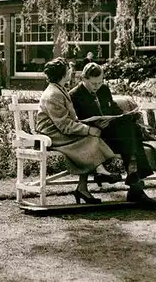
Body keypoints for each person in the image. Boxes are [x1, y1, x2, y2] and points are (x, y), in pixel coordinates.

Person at [69, 62, 156, 206]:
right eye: (93, 83)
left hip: (110, 134)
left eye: (99, 82)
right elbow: (74, 122)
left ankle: (134, 180)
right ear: (83, 79)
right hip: (92, 137)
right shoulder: (74, 95)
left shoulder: (104, 89)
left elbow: (113, 109)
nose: (96, 86)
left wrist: (127, 115)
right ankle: (135, 185)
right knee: (131, 134)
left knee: (131, 127)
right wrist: (94, 124)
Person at [36, 57, 121, 205]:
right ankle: (99, 171)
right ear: (63, 74)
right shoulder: (53, 94)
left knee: (90, 138)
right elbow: (64, 126)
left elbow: (68, 122)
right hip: (51, 135)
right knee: (89, 138)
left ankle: (83, 188)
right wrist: (88, 129)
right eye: (68, 70)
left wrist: (88, 127)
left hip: (59, 130)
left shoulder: (59, 89)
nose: (71, 71)